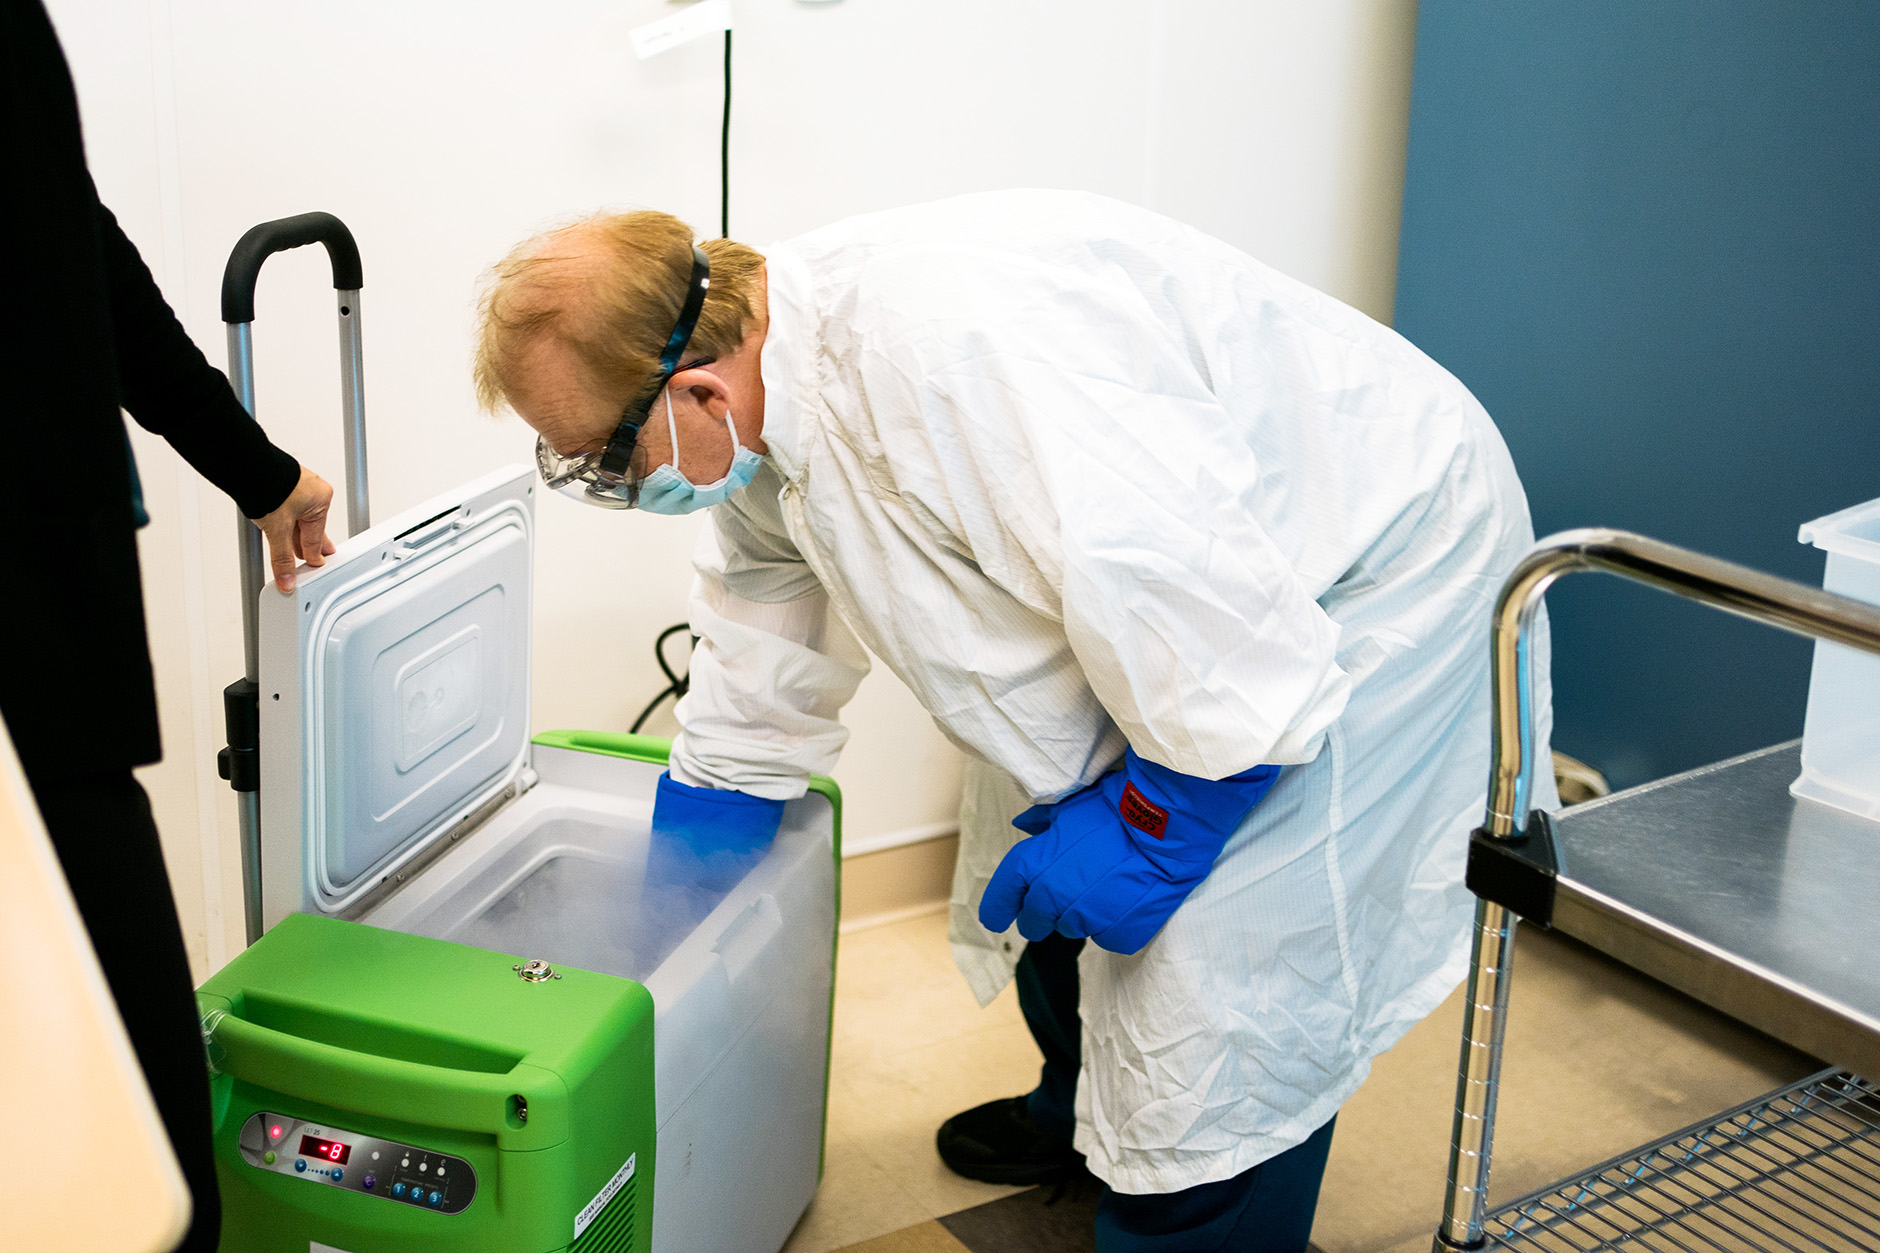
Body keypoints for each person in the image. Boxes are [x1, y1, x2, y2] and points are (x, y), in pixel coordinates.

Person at [473, 190, 1556, 1251]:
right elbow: (766, 625)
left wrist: (1162, 811)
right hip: (1182, 600)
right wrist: (692, 859)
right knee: (1037, 815)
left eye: (603, 456)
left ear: (695, 393)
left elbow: (1208, 621)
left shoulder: (960, 354)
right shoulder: (758, 394)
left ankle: (1198, 1210)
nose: (604, 480)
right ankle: (1076, 1106)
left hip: (1364, 568)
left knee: (1220, 982)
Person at [1, 3, 339, 1247]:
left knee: (122, 1091)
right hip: (33, 647)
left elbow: (70, 244)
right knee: (124, 1129)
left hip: (46, 646)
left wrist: (256, 469)